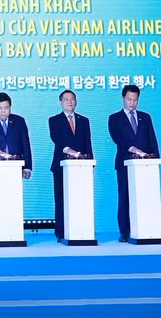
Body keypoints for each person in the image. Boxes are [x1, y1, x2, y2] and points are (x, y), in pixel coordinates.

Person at [108, 85, 159, 243]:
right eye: (129, 99)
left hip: (146, 165)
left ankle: (146, 228)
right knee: (125, 197)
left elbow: (152, 140)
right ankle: (125, 232)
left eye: (135, 100)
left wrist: (155, 158)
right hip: (125, 163)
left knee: (146, 196)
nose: (132, 103)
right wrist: (133, 149)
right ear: (122, 98)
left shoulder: (146, 116)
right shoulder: (114, 118)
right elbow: (117, 137)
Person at [0, 92, 32, 240]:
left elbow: (25, 144)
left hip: (14, 169)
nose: (3, 111)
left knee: (12, 201)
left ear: (10, 107)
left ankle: (13, 232)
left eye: (6, 108)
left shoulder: (19, 121)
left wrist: (27, 166)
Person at [49, 90, 93, 242]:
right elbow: (57, 139)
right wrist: (69, 151)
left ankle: (81, 229)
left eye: (72, 99)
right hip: (62, 166)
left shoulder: (84, 120)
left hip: (81, 168)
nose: (69, 102)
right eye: (66, 99)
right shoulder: (54, 120)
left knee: (81, 199)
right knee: (61, 200)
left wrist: (90, 163)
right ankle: (61, 232)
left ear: (76, 102)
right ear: (60, 102)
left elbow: (88, 143)